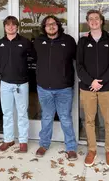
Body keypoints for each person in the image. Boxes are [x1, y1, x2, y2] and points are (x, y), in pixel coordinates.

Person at [77, 10, 109, 167]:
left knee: (108, 121)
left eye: (96, 18)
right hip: (87, 89)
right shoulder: (83, 41)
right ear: (88, 22)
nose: (94, 21)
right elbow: (79, 65)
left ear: (101, 21)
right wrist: (91, 82)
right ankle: (92, 150)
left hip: (106, 88)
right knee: (89, 120)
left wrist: (100, 81)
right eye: (91, 19)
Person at [34, 15, 78, 161]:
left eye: (53, 24)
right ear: (44, 27)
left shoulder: (69, 41)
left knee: (65, 118)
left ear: (58, 25)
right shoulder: (38, 41)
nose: (51, 26)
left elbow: (79, 60)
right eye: (48, 24)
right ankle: (44, 144)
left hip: (64, 89)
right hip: (44, 88)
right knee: (46, 117)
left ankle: (71, 148)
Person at [0, 16, 34, 153]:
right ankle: (8, 139)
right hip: (5, 83)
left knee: (22, 113)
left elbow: (33, 58)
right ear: (5, 27)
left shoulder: (25, 42)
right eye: (8, 25)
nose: (10, 27)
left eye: (13, 25)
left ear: (17, 27)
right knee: (7, 113)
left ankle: (23, 141)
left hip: (21, 83)